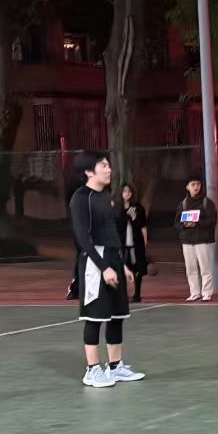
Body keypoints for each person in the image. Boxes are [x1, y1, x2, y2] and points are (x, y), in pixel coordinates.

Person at [71, 150, 145, 389]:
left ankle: (115, 366)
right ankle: (92, 370)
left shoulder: (106, 198)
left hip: (113, 259)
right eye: (103, 165)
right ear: (89, 171)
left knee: (117, 315)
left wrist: (122, 265)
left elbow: (112, 233)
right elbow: (83, 237)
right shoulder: (81, 198)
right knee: (95, 317)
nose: (109, 169)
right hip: (95, 261)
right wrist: (103, 267)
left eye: (108, 165)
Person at [177, 177, 218, 301]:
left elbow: (212, 220)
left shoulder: (207, 202)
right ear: (187, 187)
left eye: (198, 184)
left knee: (206, 268)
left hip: (203, 240)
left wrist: (196, 223)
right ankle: (194, 292)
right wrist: (184, 224)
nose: (196, 187)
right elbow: (176, 222)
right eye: (193, 184)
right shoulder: (183, 203)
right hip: (187, 241)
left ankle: (206, 292)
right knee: (191, 269)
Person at [119, 184, 151, 303]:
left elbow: (143, 226)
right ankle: (122, 294)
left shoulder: (138, 208)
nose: (127, 194)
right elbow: (115, 225)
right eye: (124, 191)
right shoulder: (117, 208)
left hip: (136, 243)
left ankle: (137, 294)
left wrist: (145, 242)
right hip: (122, 244)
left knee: (138, 268)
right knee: (122, 267)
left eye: (129, 191)